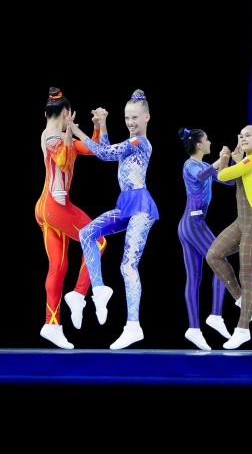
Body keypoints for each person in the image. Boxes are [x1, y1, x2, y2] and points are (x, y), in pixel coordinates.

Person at [70, 89, 159, 350]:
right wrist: (102, 124)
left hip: (141, 207)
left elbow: (105, 154)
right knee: (86, 233)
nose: (130, 122)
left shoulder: (139, 143)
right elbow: (108, 150)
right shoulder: (130, 142)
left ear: (147, 117)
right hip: (126, 205)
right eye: (127, 117)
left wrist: (77, 131)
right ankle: (99, 290)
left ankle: (133, 326)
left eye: (135, 117)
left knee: (128, 266)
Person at [35, 86, 107, 349]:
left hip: (46, 208)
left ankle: (51, 324)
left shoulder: (54, 135)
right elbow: (64, 162)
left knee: (58, 266)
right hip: (55, 207)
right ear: (67, 114)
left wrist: (98, 127)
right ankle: (78, 294)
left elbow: (96, 150)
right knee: (97, 241)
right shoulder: (52, 137)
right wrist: (69, 133)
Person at [204, 123, 252, 350]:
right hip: (242, 222)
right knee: (213, 255)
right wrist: (234, 160)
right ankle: (242, 299)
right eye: (240, 135)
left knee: (247, 275)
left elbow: (223, 175)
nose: (242, 138)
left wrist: (225, 159)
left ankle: (242, 330)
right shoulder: (246, 162)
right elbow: (230, 180)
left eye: (248, 135)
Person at [178, 126, 234, 350]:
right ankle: (216, 315)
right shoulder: (190, 164)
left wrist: (230, 160)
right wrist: (218, 162)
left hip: (192, 224)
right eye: (208, 140)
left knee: (195, 277)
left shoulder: (204, 166)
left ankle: (193, 328)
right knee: (220, 262)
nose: (210, 142)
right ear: (199, 145)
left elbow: (228, 182)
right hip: (193, 224)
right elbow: (201, 176)